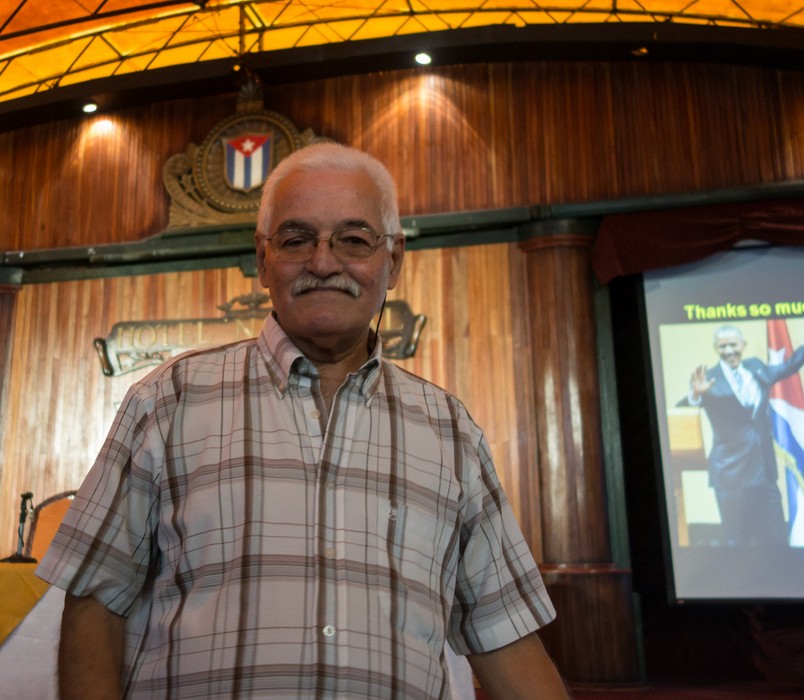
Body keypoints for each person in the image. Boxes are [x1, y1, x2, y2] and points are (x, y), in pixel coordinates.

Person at [36, 143, 569, 699]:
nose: (322, 262)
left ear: (395, 261)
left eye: (354, 240)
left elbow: (504, 634)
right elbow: (96, 598)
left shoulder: (450, 432)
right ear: (264, 260)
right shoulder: (167, 402)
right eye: (296, 240)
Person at [678, 322, 804, 546]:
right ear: (716, 348)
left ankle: (781, 581)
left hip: (764, 473)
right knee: (738, 543)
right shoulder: (707, 379)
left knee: (775, 539)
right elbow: (681, 413)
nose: (729, 351)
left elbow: (790, 365)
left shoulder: (756, 367)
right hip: (731, 476)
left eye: (733, 344)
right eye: (722, 347)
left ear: (743, 345)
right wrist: (695, 395)